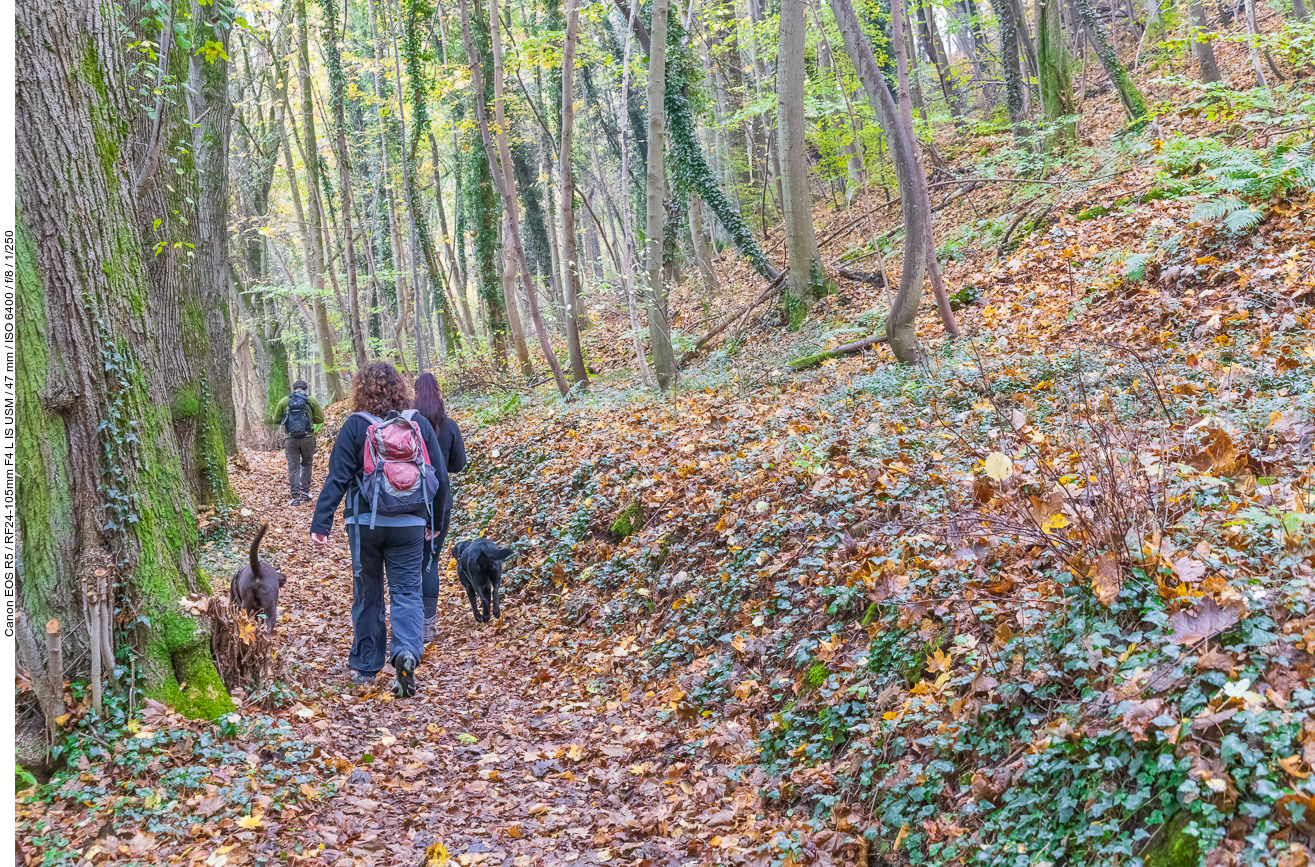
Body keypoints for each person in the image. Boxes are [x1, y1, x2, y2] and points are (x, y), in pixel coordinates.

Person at [310, 363, 448, 697]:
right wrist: (435, 522)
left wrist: (321, 523)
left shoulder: (355, 427)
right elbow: (440, 479)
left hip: (365, 524)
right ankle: (405, 653)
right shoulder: (418, 425)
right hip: (411, 523)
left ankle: (366, 668)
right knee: (406, 592)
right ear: (400, 389)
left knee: (368, 593)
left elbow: (337, 478)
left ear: (361, 391)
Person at [408, 373, 466, 642]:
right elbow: (458, 465)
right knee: (430, 562)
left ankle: (409, 620)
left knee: (408, 563)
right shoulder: (449, 426)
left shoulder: (408, 426)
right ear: (439, 393)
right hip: (440, 504)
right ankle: (428, 625)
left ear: (415, 394)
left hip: (409, 503)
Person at [269, 380, 325, 506]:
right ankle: (305, 492)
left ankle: (295, 497)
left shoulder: (284, 401)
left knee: (293, 467)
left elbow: (277, 420)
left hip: (290, 439)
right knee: (306, 464)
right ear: (306, 390)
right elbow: (320, 419)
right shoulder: (311, 400)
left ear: (293, 390)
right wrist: (309, 419)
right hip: (308, 438)